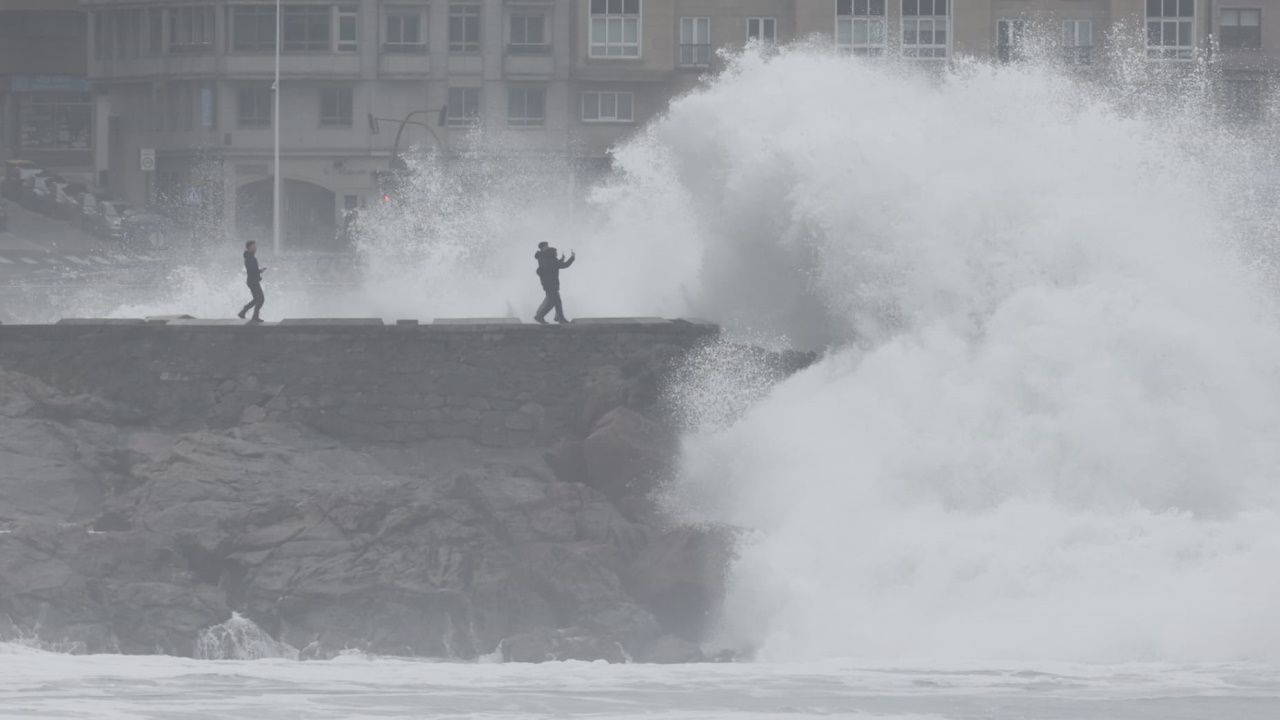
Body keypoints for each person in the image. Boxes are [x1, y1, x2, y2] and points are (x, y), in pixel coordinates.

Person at [534, 241, 575, 324]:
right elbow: (564, 265)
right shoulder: (547, 259)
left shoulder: (545, 258)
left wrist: (561, 259)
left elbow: (555, 264)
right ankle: (540, 316)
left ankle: (560, 318)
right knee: (553, 302)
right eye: (556, 253)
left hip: (548, 283)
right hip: (551, 284)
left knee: (557, 301)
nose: (556, 254)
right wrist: (572, 257)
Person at [237, 240, 267, 323]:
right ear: (249, 248)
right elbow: (252, 271)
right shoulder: (250, 258)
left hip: (252, 281)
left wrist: (260, 271)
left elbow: (253, 270)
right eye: (253, 246)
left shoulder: (250, 257)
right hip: (252, 281)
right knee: (260, 299)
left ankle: (244, 312)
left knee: (257, 299)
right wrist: (259, 271)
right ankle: (253, 315)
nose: (255, 248)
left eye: (255, 246)